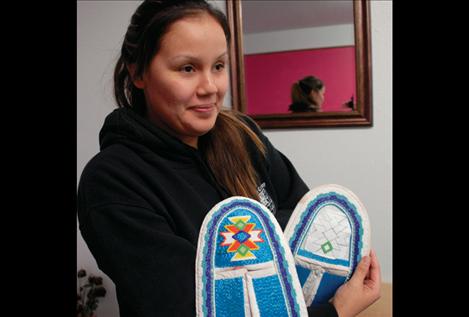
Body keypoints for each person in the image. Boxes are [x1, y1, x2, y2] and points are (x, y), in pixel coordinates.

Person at [77, 1, 381, 316]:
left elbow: (307, 231)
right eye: (188, 68)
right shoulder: (112, 181)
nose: (211, 87)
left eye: (218, 66)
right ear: (138, 72)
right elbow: (197, 308)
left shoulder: (244, 137)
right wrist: (337, 310)